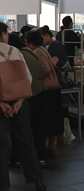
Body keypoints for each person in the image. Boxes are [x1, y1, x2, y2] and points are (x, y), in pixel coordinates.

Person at [0, 21, 46, 191]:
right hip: (19, 103)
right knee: (26, 140)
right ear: (2, 34)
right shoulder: (16, 51)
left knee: (0, 143)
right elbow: (28, 79)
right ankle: (37, 180)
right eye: (6, 33)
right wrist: (20, 101)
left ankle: (2, 184)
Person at [8, 33, 48, 167]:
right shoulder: (31, 53)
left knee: (21, 128)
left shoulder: (18, 56)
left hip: (28, 95)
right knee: (39, 127)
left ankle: (17, 157)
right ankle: (41, 157)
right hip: (40, 92)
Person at [24, 31, 55, 165]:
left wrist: (35, 75)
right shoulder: (42, 50)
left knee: (37, 125)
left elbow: (46, 69)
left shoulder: (38, 52)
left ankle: (39, 155)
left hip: (38, 91)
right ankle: (41, 155)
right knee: (40, 124)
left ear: (30, 42)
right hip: (41, 90)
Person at [38, 26, 66, 159]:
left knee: (49, 116)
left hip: (50, 88)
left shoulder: (53, 46)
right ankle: (50, 147)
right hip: (55, 88)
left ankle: (48, 147)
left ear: (47, 35)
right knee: (54, 117)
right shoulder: (49, 47)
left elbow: (53, 64)